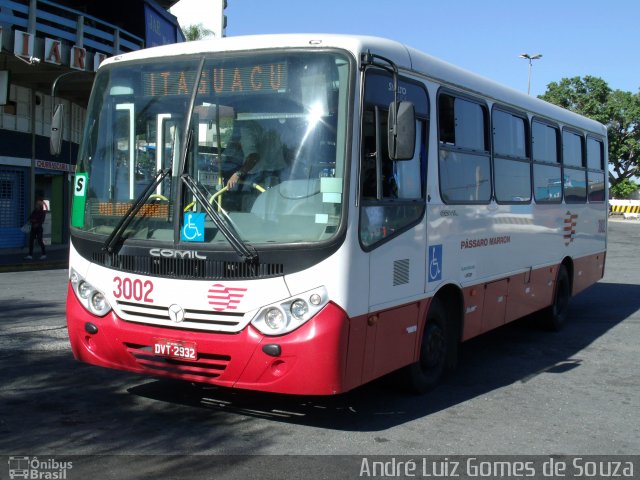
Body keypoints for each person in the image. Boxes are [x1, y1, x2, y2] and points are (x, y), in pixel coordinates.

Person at [225, 121, 286, 190]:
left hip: (258, 176)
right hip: (278, 173)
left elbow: (253, 156)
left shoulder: (247, 128)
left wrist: (237, 174)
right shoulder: (269, 125)